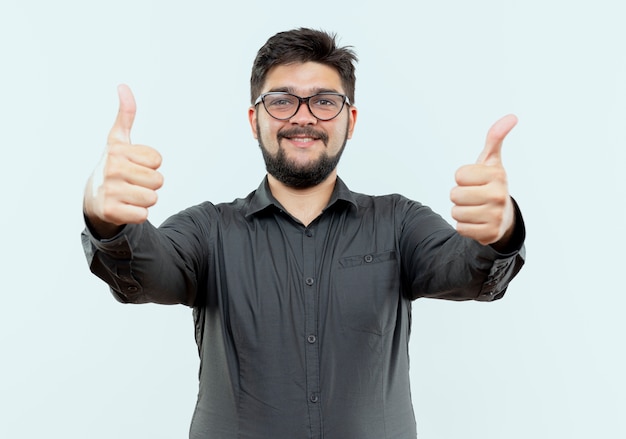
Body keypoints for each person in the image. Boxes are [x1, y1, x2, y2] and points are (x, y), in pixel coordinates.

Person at [82, 28, 525, 439]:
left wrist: (499, 230)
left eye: (324, 101)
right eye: (281, 100)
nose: (303, 117)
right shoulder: (207, 229)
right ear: (254, 119)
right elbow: (146, 273)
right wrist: (108, 219)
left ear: (350, 120)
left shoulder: (399, 222)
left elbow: (471, 273)